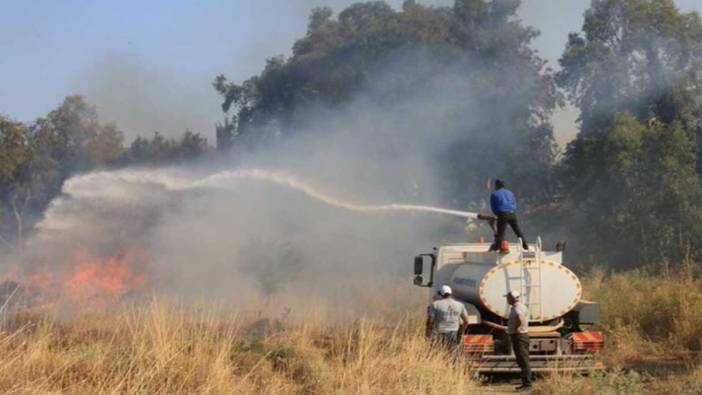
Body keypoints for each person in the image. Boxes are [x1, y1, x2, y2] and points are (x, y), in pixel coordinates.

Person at [490, 179, 528, 252]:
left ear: (497, 186)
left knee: (501, 233)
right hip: (512, 214)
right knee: (517, 231)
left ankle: (498, 248)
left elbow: (493, 207)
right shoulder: (510, 193)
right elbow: (514, 203)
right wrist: (511, 210)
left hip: (502, 214)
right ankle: (525, 246)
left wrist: (497, 214)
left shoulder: (494, 194)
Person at [506, 290, 532, 391]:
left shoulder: (517, 308)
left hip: (519, 336)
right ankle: (525, 383)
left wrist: (517, 328)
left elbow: (520, 318)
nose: (507, 299)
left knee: (523, 360)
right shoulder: (520, 306)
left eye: (508, 297)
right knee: (522, 360)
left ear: (512, 298)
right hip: (522, 336)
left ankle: (527, 385)